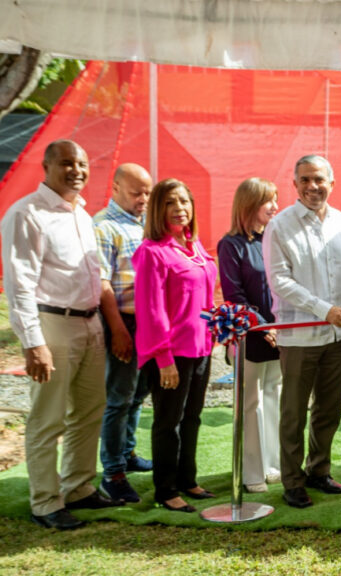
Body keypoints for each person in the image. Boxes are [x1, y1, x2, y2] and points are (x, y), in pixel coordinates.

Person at [2, 139, 121, 530]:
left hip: (89, 323)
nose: (77, 171)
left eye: (82, 163)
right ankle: (45, 502)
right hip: (52, 323)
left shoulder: (82, 215)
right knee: (47, 418)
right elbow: (19, 286)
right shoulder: (27, 214)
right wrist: (33, 343)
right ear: (47, 166)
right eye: (67, 163)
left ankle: (79, 487)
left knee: (89, 411)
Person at [263, 155, 341, 509]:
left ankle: (318, 470)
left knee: (329, 409)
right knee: (293, 412)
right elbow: (280, 281)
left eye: (319, 179)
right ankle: (292, 481)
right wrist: (325, 310)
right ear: (295, 185)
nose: (312, 186)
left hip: (337, 338)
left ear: (331, 183)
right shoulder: (280, 225)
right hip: (299, 337)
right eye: (304, 180)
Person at [133, 178, 218, 513]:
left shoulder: (194, 248)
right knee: (168, 421)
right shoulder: (152, 252)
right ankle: (166, 489)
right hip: (171, 353)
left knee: (192, 417)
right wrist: (164, 358)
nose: (180, 208)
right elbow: (151, 310)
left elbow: (206, 298)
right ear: (158, 209)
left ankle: (188, 479)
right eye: (171, 202)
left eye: (184, 201)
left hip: (201, 348)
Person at [94, 163, 154, 505]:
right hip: (124, 322)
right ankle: (113, 471)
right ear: (115, 187)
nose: (143, 199)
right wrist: (117, 329)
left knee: (137, 393)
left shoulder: (144, 224)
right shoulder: (104, 227)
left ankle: (128, 453)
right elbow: (103, 284)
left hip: (149, 325)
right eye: (136, 192)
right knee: (118, 398)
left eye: (147, 192)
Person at [218, 177, 282, 493]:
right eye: (268, 200)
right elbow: (234, 295)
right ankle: (252, 471)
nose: (275, 206)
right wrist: (261, 325)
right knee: (251, 402)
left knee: (275, 397)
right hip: (250, 336)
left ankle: (274, 465)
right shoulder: (230, 245)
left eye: (276, 199)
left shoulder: (272, 240)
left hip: (281, 333)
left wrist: (279, 325)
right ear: (249, 204)